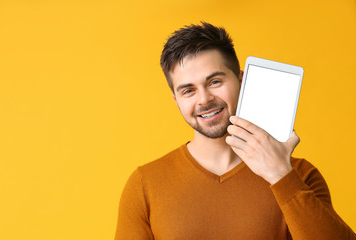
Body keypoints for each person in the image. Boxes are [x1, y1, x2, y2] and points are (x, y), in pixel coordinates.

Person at [115, 22, 355, 240]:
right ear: (176, 99)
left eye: (215, 82)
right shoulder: (145, 185)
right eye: (188, 90)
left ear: (242, 80)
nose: (204, 99)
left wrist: (281, 176)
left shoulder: (299, 174)